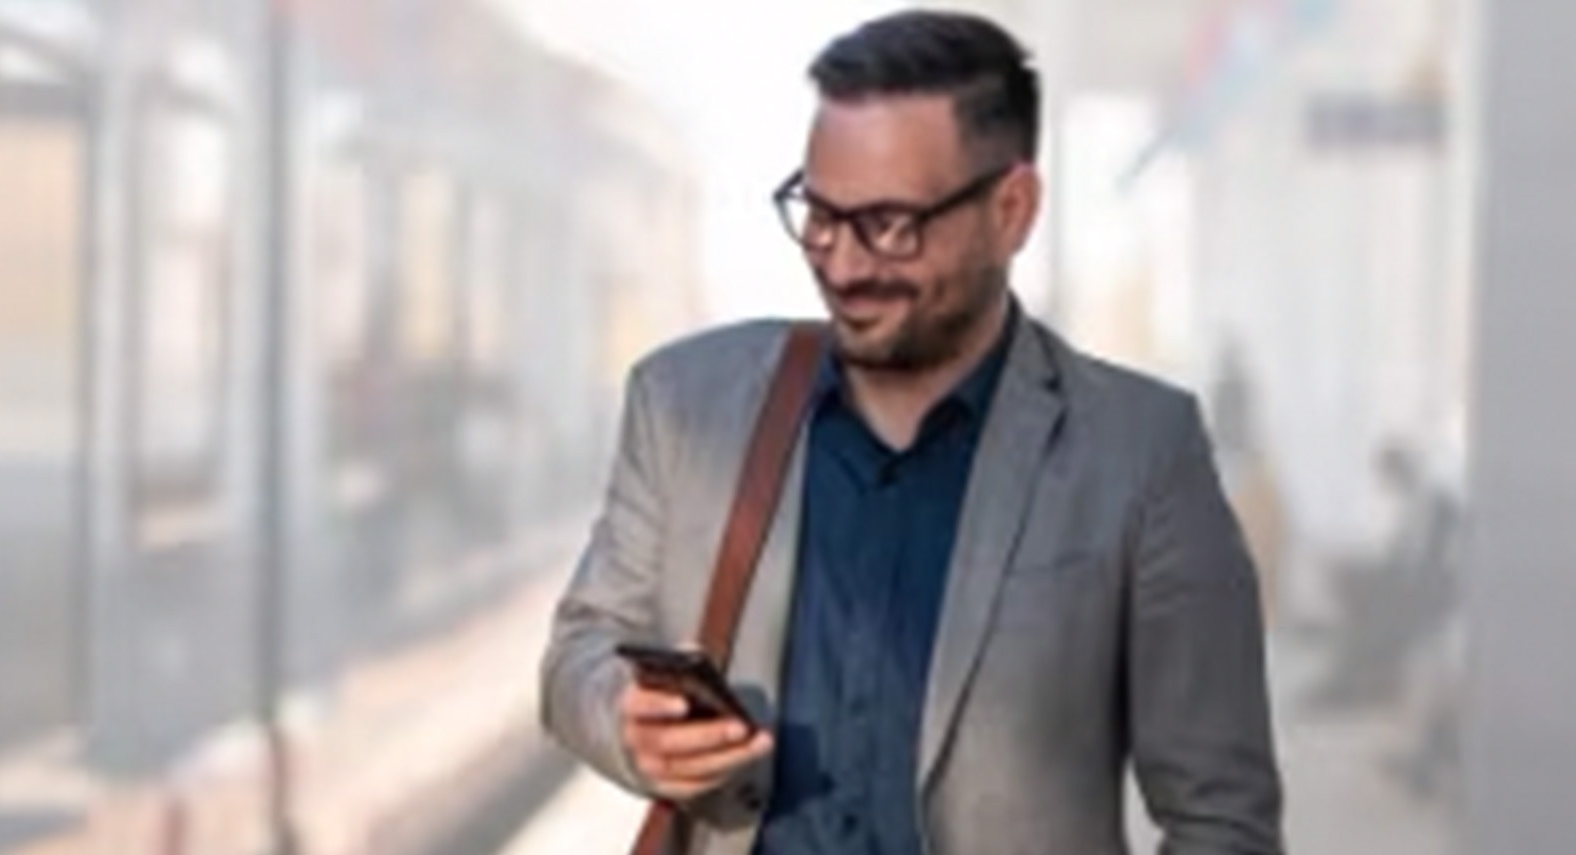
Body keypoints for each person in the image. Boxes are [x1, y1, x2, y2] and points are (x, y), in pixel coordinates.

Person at [540, 10, 1282, 855]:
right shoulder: (680, 404)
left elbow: (1223, 820)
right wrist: (625, 721)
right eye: (820, 215)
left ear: (1012, 209)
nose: (844, 266)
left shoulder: (1143, 450)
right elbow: (579, 653)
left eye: (890, 226)